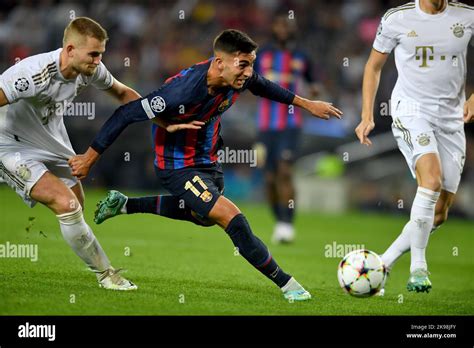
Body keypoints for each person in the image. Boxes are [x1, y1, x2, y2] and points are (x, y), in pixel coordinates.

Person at [69, 29, 342, 301]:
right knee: (231, 218)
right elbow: (127, 112)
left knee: (203, 217)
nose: (248, 72)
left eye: (251, 64)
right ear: (219, 63)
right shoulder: (180, 92)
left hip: (208, 158)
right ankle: (288, 285)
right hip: (177, 166)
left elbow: (262, 85)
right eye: (243, 64)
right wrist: (89, 157)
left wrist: (306, 104)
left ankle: (126, 204)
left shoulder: (239, 77)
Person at [0, 17, 193, 290]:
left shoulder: (91, 70)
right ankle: (107, 275)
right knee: (66, 205)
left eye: (100, 53)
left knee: (77, 205)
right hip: (10, 145)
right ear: (69, 50)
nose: (97, 60)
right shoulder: (31, 73)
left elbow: (122, 93)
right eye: (93, 53)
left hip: (51, 140)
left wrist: (162, 121)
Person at [355, 0, 473, 293]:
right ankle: (418, 267)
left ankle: (382, 263)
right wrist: (367, 114)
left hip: (452, 119)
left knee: (439, 213)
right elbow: (373, 66)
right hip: (411, 111)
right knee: (430, 181)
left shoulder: (467, 16)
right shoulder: (397, 18)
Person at [254, 14, 320, 244]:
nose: (283, 29)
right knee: (269, 178)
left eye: (287, 25)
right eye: (280, 24)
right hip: (264, 125)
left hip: (291, 124)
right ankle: (279, 221)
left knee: (285, 170)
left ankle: (287, 223)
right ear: (273, 27)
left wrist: (314, 92)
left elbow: (314, 84)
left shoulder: (302, 56)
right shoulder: (261, 55)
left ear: (293, 29)